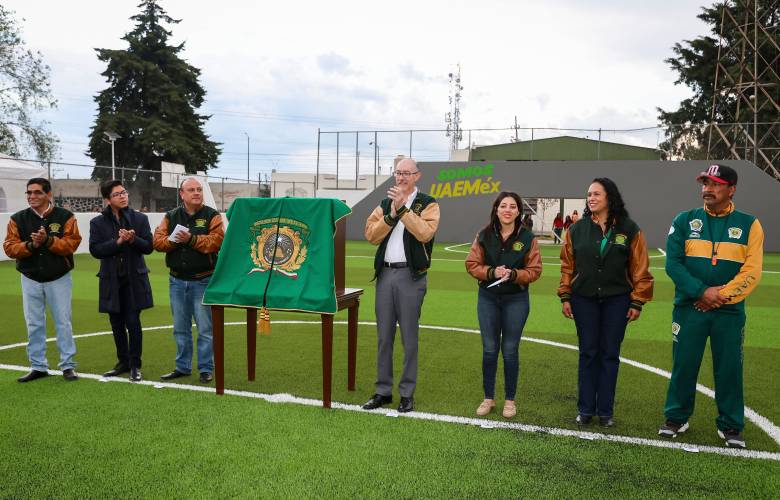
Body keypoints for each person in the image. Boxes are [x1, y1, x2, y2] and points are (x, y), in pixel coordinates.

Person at [658, 164, 763, 449]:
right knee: (684, 364)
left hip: (728, 311)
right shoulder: (684, 220)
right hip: (689, 308)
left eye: (716, 184)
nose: (708, 189)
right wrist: (701, 292)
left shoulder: (750, 225)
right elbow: (673, 264)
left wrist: (719, 296)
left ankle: (731, 425)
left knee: (729, 368)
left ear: (732, 189)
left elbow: (752, 271)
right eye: (705, 183)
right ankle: (676, 418)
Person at [558, 177, 653, 427]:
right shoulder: (576, 229)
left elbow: (640, 268)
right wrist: (566, 295)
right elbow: (567, 266)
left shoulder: (629, 229)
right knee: (588, 353)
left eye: (596, 194)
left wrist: (637, 301)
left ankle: (606, 412)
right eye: (589, 194)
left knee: (610, 354)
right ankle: (585, 409)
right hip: (583, 299)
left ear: (609, 197)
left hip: (617, 300)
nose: (591, 198)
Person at [362, 158, 440, 413]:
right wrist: (392, 214)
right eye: (398, 172)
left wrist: (404, 209)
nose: (401, 177)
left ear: (417, 176)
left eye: (407, 173)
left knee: (409, 338)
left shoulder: (428, 203)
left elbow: (425, 233)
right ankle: (383, 391)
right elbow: (371, 234)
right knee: (384, 337)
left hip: (410, 277)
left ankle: (407, 393)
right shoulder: (386, 203)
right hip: (385, 275)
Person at [465, 192, 542, 418]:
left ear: (518, 211)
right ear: (496, 209)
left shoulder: (528, 238)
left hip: (516, 299)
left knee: (509, 350)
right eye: (503, 206)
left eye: (512, 206)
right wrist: (492, 272)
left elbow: (535, 270)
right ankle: (488, 398)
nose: (507, 210)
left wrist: (515, 274)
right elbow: (471, 263)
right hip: (488, 298)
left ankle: (510, 400)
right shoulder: (484, 235)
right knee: (489, 349)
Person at [3, 178, 81, 382]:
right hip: (30, 277)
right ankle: (38, 366)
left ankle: (68, 365)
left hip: (59, 277)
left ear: (48, 194)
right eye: (29, 193)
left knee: (63, 322)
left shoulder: (65, 216)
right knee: (34, 323)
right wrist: (31, 245)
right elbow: (9, 247)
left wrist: (47, 240)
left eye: (37, 192)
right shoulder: (17, 218)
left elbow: (71, 244)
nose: (32, 196)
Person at [153, 178, 224, 384]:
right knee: (180, 328)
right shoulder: (171, 216)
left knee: (205, 329)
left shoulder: (212, 215)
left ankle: (205, 368)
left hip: (203, 280)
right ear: (182, 194)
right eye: (191, 190)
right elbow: (157, 242)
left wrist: (190, 239)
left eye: (199, 189)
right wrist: (174, 240)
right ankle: (182, 367)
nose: (196, 193)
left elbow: (217, 241)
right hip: (176, 281)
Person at [89, 180, 153, 382]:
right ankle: (123, 362)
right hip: (111, 280)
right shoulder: (97, 223)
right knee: (116, 323)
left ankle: (135, 365)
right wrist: (118, 242)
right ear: (108, 199)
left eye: (124, 192)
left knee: (133, 322)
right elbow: (95, 250)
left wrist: (133, 239)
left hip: (134, 279)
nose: (123, 196)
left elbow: (149, 247)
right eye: (117, 194)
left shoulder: (140, 219)